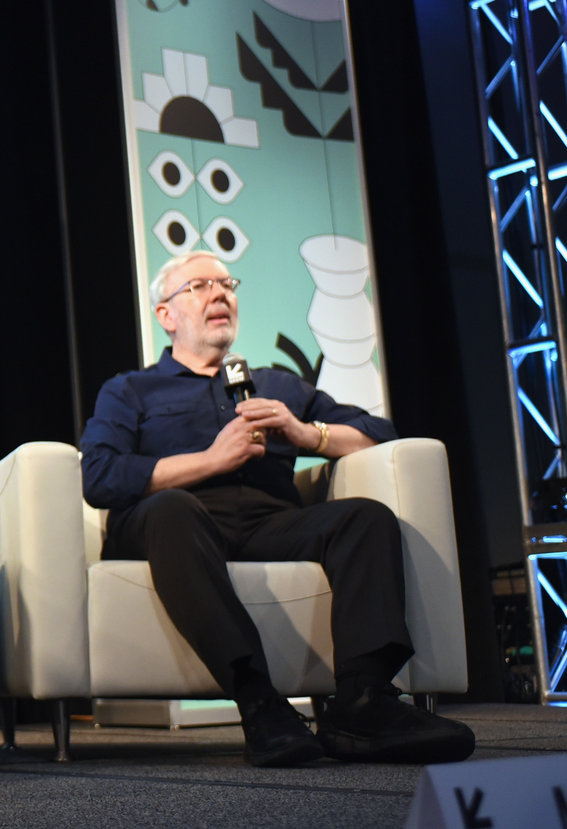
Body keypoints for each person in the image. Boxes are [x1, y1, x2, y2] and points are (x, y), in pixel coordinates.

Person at [79, 250, 475, 768]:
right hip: (173, 521)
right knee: (175, 510)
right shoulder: (131, 389)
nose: (220, 294)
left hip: (269, 519)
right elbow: (101, 475)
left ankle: (363, 701)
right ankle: (259, 702)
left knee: (364, 518)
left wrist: (306, 432)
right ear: (166, 314)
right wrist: (209, 460)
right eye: (199, 286)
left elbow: (380, 434)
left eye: (227, 284)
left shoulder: (278, 386)